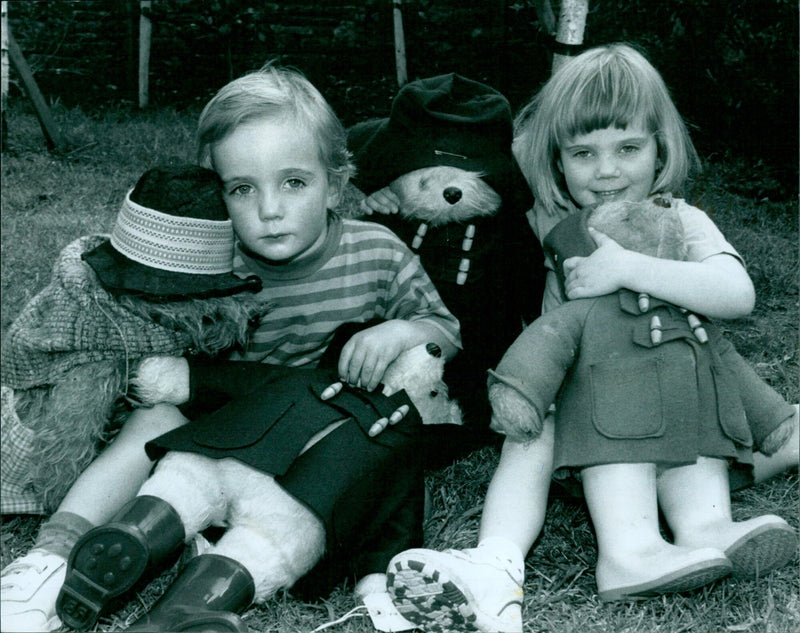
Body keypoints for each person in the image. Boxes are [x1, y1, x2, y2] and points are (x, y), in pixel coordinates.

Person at [384, 43, 798, 633]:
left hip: (676, 412)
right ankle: (495, 560)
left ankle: (705, 529)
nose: (606, 171)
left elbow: (737, 293)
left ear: (661, 150)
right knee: (530, 438)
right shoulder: (549, 223)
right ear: (556, 162)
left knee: (723, 420)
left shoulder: (682, 220)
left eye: (628, 148)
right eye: (583, 153)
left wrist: (629, 268)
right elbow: (485, 177)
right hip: (581, 416)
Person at [48, 64, 461, 633]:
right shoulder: (215, 258)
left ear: (335, 183)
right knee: (153, 415)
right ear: (216, 194)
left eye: (294, 182)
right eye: (243, 188)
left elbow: (444, 331)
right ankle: (54, 554)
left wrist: (404, 331)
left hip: (323, 432)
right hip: (221, 416)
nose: (270, 210)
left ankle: (208, 583)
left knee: (356, 475)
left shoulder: (377, 252)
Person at [0, 164, 267, 633]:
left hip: (119, 456)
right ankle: (50, 560)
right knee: (163, 415)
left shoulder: (201, 329)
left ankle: (92, 549)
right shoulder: (85, 316)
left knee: (165, 415)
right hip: (33, 445)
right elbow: (61, 431)